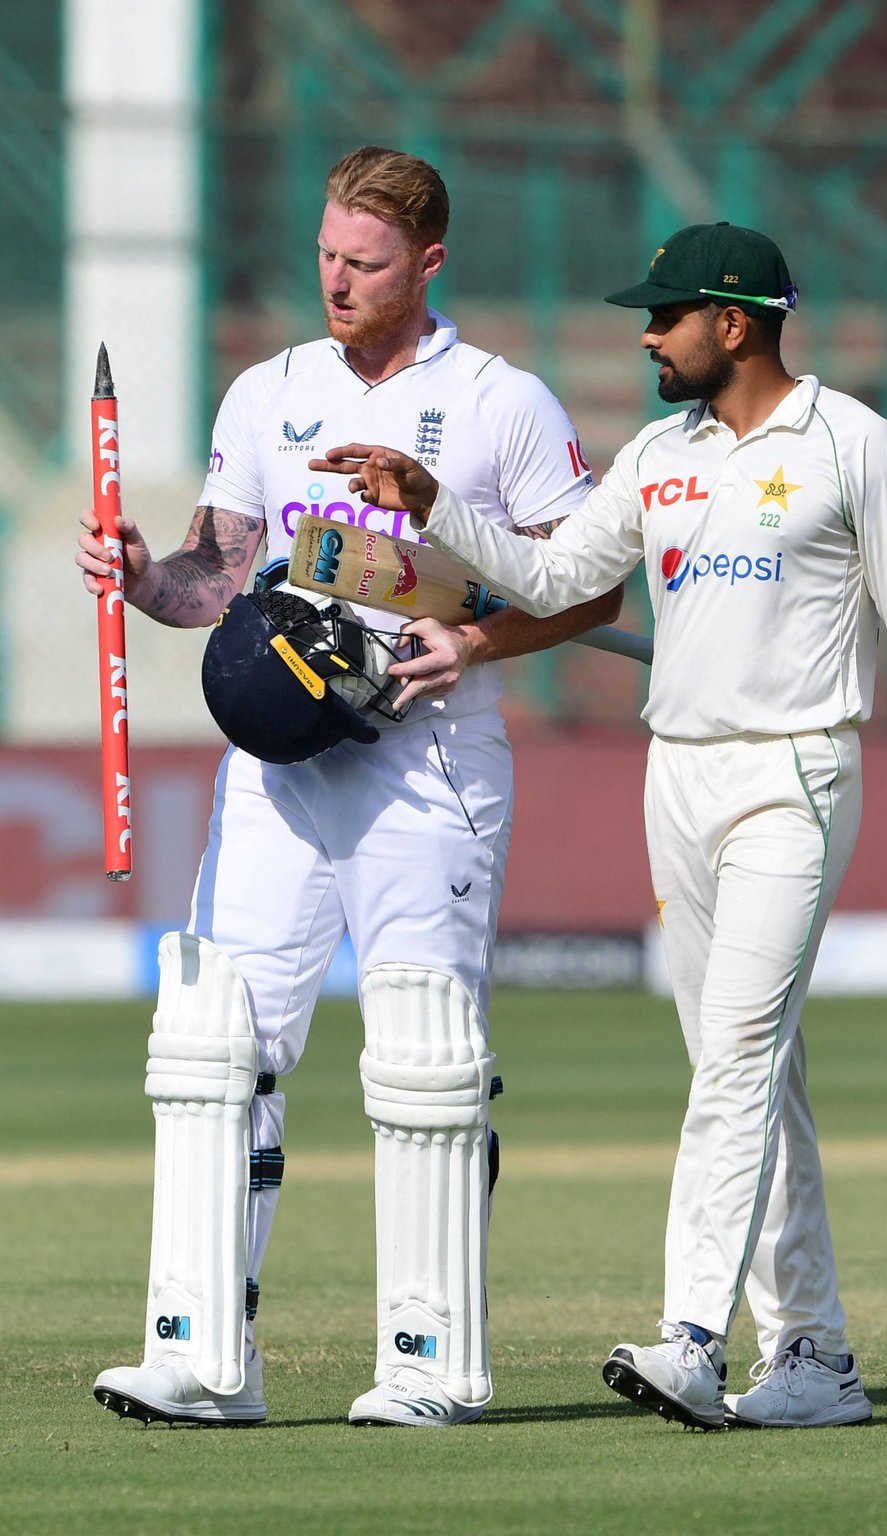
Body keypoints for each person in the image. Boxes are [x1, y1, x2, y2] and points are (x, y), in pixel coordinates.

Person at [311, 220, 887, 1431]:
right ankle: (815, 1357)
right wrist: (433, 506)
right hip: (678, 775)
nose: (646, 334)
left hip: (796, 773)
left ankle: (688, 1339)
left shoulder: (855, 445)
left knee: (733, 1057)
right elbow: (560, 578)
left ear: (733, 323)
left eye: (664, 316)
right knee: (753, 1072)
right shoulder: (660, 452)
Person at [76, 144, 621, 1429]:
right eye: (326, 254)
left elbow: (591, 585)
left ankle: (432, 1364)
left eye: (365, 263)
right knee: (223, 1045)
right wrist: (148, 575)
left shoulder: (504, 402)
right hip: (276, 760)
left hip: (429, 752)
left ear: (428, 263)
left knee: (425, 1055)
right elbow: (220, 574)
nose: (336, 279)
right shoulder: (270, 390)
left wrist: (478, 641)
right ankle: (205, 1355)